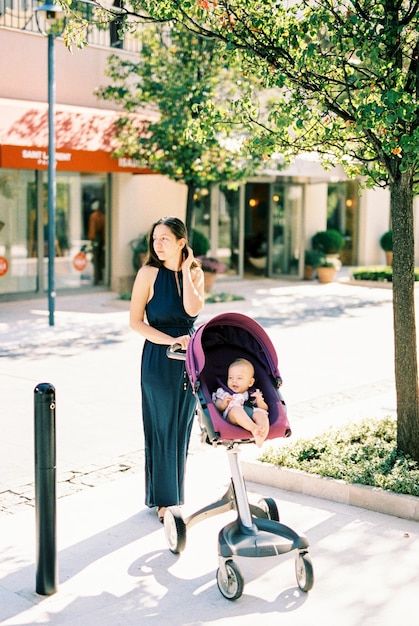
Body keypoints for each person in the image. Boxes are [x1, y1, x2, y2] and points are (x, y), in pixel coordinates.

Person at [130, 217, 205, 523]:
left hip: (189, 361)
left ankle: (173, 494)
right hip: (159, 359)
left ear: (181, 243)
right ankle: (164, 502)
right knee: (161, 427)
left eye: (165, 239)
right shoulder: (147, 273)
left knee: (181, 427)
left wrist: (186, 270)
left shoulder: (195, 274)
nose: (158, 245)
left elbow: (192, 311)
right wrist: (172, 340)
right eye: (155, 239)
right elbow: (136, 322)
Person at [212, 358, 270, 447]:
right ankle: (254, 428)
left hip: (250, 414)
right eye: (230, 377)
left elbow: (264, 408)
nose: (234, 381)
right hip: (231, 417)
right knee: (236, 410)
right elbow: (217, 406)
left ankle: (261, 436)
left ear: (250, 382)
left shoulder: (253, 393)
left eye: (239, 378)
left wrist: (260, 401)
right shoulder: (224, 392)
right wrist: (223, 403)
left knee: (261, 414)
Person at [88, 200, 105, 285]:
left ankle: (96, 279)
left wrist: (91, 239)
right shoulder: (103, 216)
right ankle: (100, 277)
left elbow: (92, 229)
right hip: (101, 239)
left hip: (96, 239)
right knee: (99, 259)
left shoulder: (93, 216)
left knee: (95, 259)